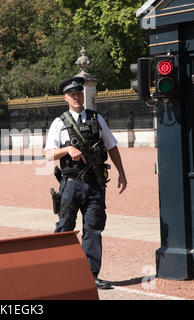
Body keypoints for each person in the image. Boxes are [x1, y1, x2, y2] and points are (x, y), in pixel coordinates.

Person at [45, 77, 127, 290]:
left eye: (79, 93)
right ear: (65, 98)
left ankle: (91, 276)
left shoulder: (96, 118)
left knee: (94, 230)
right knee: (64, 229)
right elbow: (48, 155)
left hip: (95, 184)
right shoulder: (59, 122)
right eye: (72, 94)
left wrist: (121, 173)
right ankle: (56, 274)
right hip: (71, 184)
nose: (77, 97)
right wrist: (67, 150)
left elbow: (112, 146)